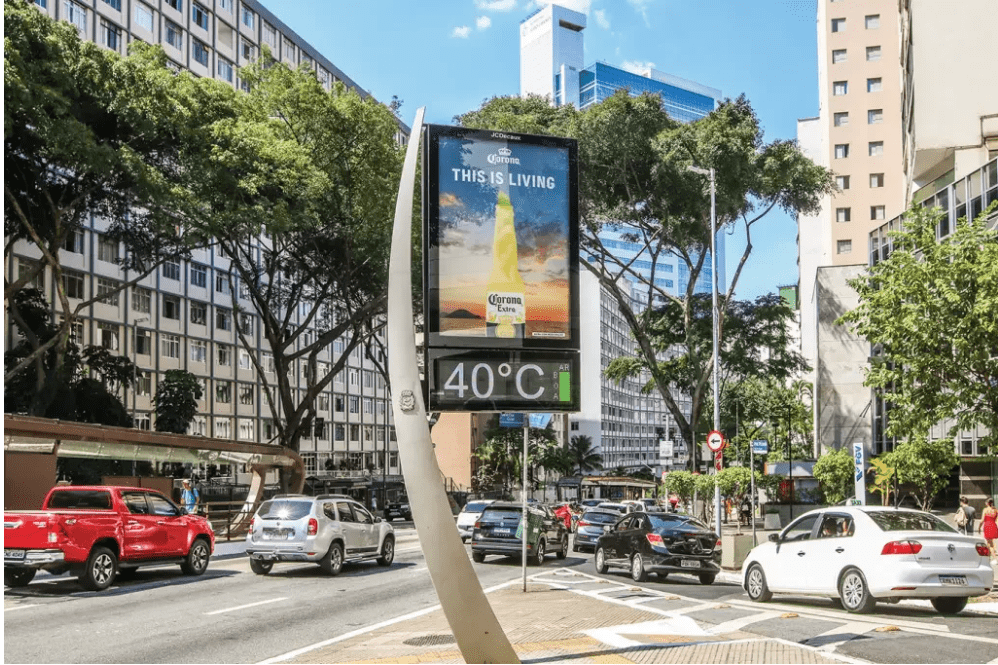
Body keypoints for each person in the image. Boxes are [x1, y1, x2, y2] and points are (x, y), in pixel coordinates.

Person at [979, 498, 997, 564]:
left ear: (987, 503)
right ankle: (988, 558)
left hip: (987, 526)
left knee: (990, 543)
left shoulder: (985, 510)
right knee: (989, 543)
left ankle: (995, 558)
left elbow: (982, 520)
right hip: (993, 526)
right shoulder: (995, 510)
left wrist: (979, 527)